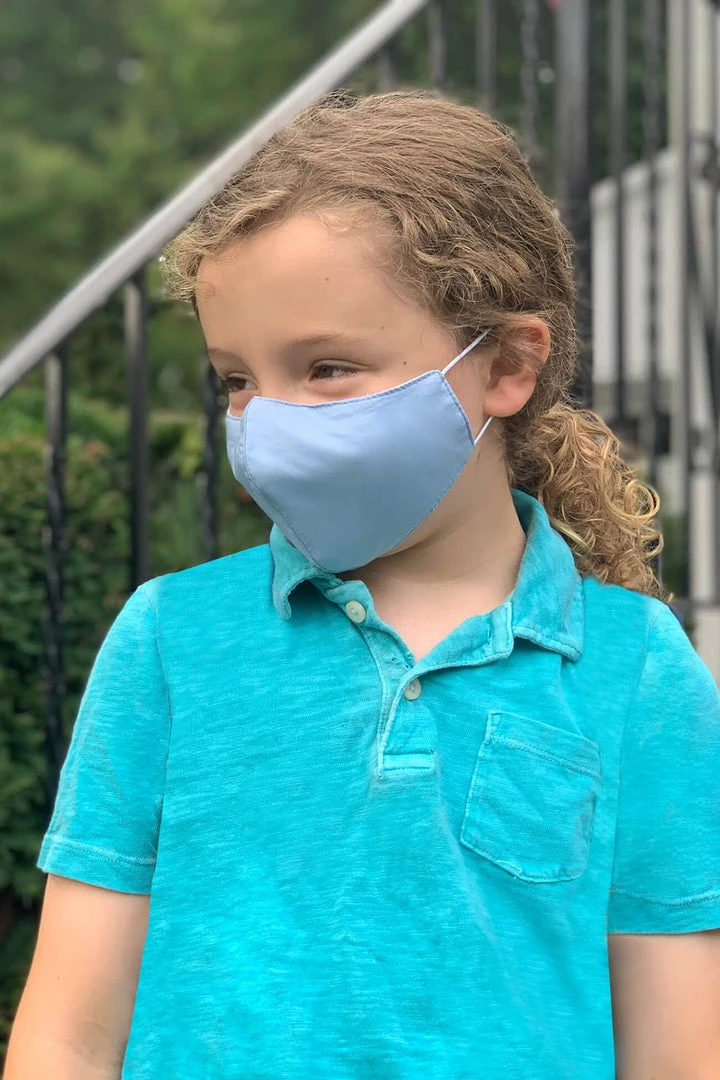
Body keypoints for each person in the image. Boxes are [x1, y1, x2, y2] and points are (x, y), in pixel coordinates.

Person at [8, 91, 720, 1080]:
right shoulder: (171, 640)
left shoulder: (637, 670)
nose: (266, 423)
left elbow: (679, 1051)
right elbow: (68, 1037)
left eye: (328, 367)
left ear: (507, 366)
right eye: (236, 380)